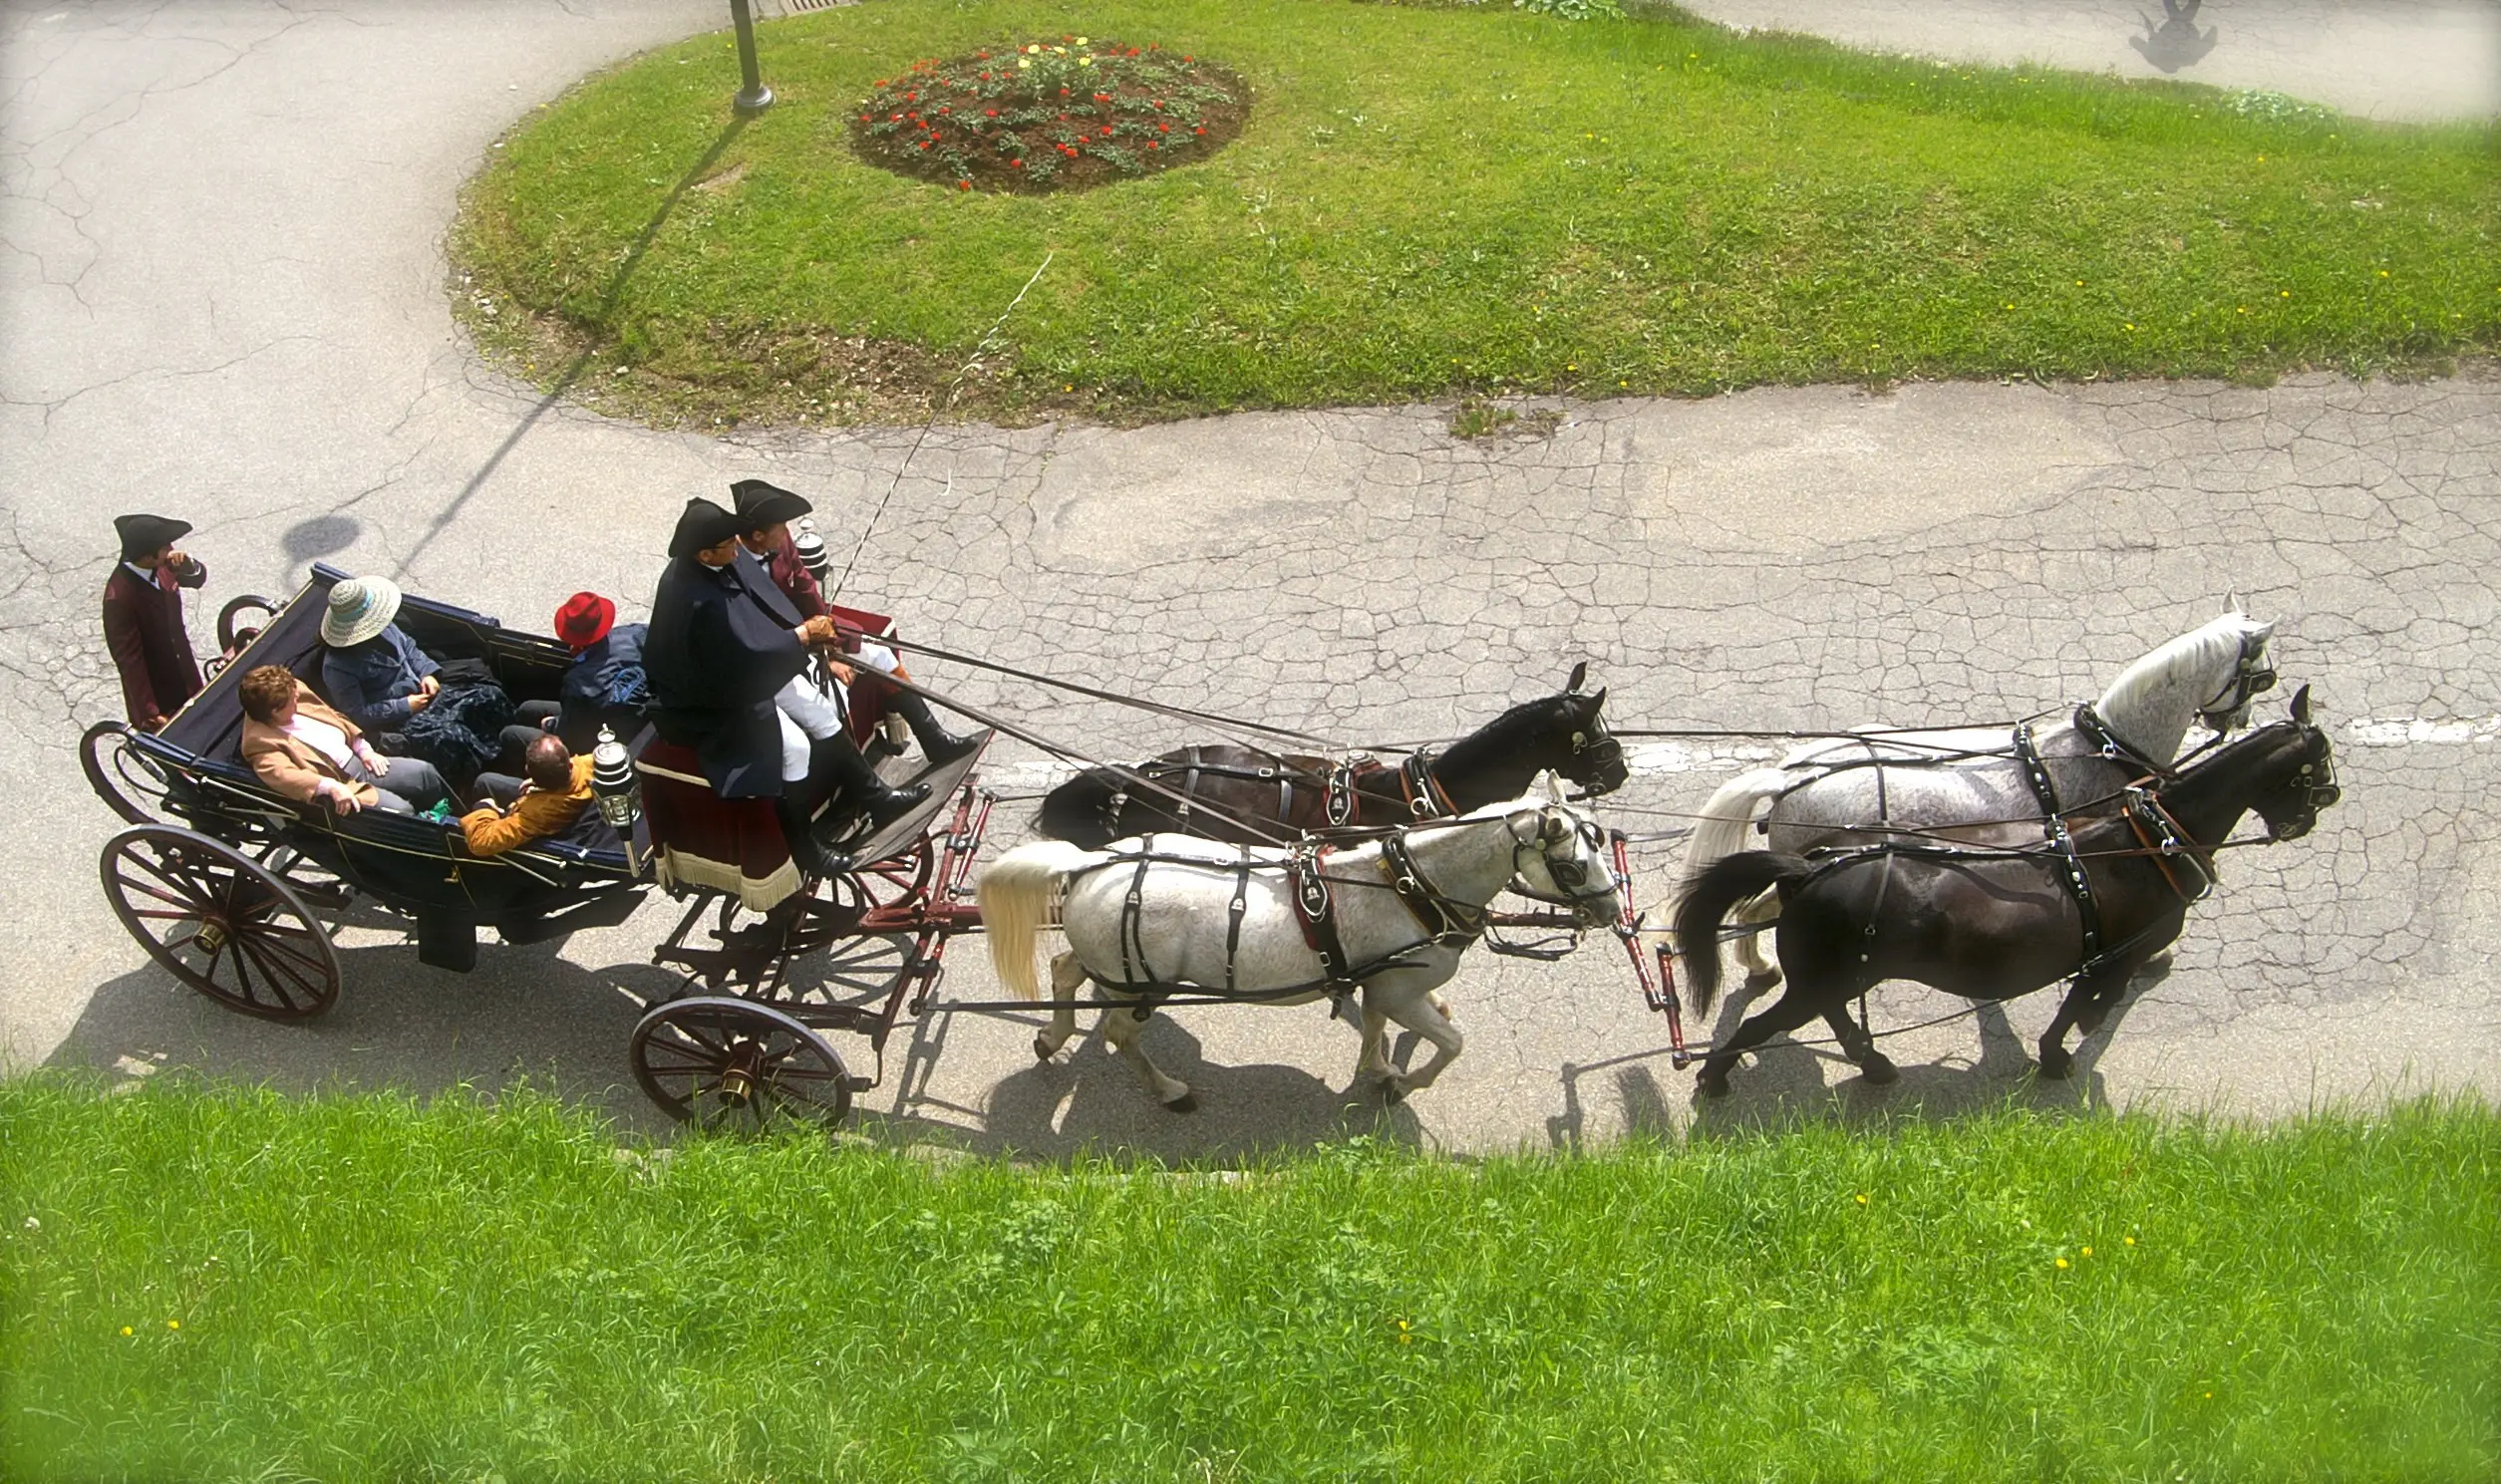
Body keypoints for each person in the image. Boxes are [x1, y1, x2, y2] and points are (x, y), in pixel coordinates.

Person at [644, 496, 925, 874]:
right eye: (728, 546)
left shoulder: (724, 558)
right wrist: (802, 636)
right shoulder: (694, 597)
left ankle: (876, 798)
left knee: (822, 712)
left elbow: (762, 613)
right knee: (792, 747)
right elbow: (741, 649)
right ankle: (805, 848)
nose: (737, 549)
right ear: (705, 554)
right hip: (714, 695)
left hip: (750, 668)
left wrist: (811, 634)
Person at [728, 477, 978, 765]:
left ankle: (935, 740)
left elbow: (806, 588)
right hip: (782, 653)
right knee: (828, 706)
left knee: (881, 655)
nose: (788, 532)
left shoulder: (781, 542)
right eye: (781, 526)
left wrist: (830, 638)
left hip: (812, 633)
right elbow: (759, 632)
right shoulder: (733, 567)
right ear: (758, 535)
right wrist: (826, 657)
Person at [319, 574, 554, 768]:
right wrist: (405, 705)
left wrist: (427, 673)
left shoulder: (383, 626)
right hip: (400, 716)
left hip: (427, 693)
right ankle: (493, 767)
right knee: (452, 735)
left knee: (488, 696)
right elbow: (357, 713)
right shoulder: (337, 667)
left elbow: (409, 647)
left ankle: (517, 745)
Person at [236, 665, 458, 817]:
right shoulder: (260, 743)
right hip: (344, 783)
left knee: (424, 774)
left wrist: (364, 749)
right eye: (291, 702)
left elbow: (333, 716)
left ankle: (460, 818)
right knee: (402, 811)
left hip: (359, 762)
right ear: (274, 711)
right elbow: (285, 776)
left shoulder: (294, 691)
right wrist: (330, 786)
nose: (298, 700)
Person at [101, 513, 209, 732]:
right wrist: (151, 713)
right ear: (147, 558)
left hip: (186, 672)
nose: (171, 550)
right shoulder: (119, 599)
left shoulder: (164, 566)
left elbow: (197, 578)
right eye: (164, 546)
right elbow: (130, 662)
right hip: (161, 692)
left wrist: (189, 566)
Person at [462, 733, 608, 856]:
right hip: (552, 794)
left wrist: (484, 807)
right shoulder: (595, 764)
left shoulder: (537, 813)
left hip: (540, 812)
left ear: (527, 770)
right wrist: (540, 782)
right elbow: (573, 766)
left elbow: (480, 842)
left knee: (483, 783)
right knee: (486, 780)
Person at [551, 592, 649, 750]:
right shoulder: (635, 635)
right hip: (644, 723)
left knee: (521, 720)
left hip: (607, 742)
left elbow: (572, 735)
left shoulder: (576, 683)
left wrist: (551, 725)